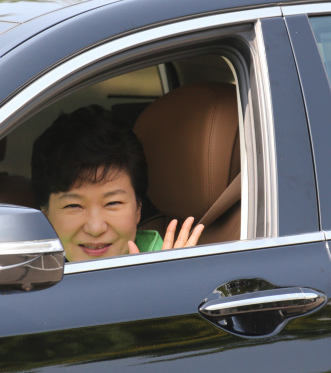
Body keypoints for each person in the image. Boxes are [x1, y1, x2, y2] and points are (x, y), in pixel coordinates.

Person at [31, 105, 203, 262]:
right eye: (74, 205)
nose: (95, 228)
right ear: (45, 215)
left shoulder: (173, 270)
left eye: (113, 203)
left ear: (138, 209)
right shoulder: (25, 282)